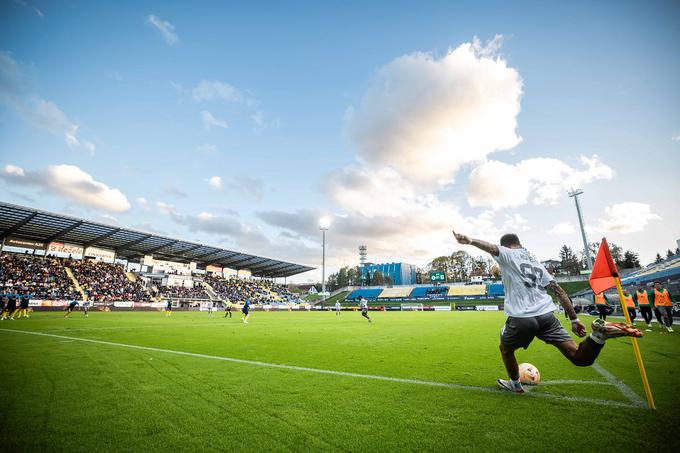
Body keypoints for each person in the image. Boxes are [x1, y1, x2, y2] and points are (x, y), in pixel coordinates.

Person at [452, 230, 642, 394]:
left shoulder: (507, 254)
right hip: (547, 316)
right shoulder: (536, 262)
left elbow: (492, 248)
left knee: (506, 349)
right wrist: (574, 319)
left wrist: (471, 241)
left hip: (522, 318)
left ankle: (516, 385)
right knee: (579, 358)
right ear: (520, 244)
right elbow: (558, 289)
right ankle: (598, 336)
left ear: (507, 246)